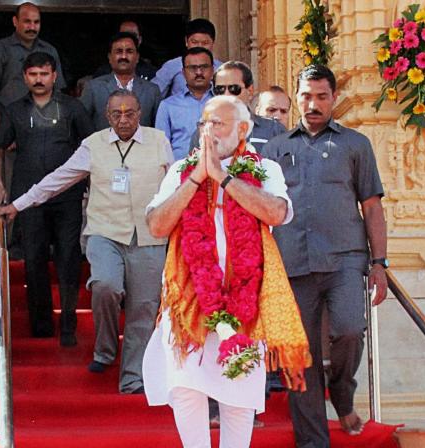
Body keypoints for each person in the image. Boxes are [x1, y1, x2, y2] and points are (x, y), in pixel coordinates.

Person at [143, 96, 311, 448]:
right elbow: (157, 225)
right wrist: (197, 180)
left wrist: (224, 179)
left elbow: (277, 213)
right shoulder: (180, 171)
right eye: (205, 124)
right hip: (188, 297)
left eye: (218, 124)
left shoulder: (266, 170)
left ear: (243, 129)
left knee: (239, 393)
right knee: (186, 386)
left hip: (244, 298)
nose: (209, 131)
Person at [0, 90, 173, 393]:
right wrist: (17, 205)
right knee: (105, 285)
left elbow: (174, 185)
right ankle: (105, 348)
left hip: (150, 235)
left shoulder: (159, 141)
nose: (124, 119)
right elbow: (57, 179)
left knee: (144, 307)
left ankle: (132, 377)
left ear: (140, 113)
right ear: (107, 116)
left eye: (130, 113)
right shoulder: (93, 145)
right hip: (105, 233)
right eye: (116, 114)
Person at [261, 65, 389, 448]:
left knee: (349, 330)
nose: (313, 104)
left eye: (321, 96)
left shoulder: (355, 145)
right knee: (300, 356)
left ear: (334, 98)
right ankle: (312, 442)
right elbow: (261, 209)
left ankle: (343, 393)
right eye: (306, 96)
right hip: (291, 263)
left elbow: (372, 206)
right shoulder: (275, 149)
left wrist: (379, 263)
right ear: (296, 98)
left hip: (346, 260)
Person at [0, 52, 93, 344]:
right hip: (26, 195)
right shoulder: (13, 110)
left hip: (67, 195)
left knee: (68, 256)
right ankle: (42, 323)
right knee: (33, 257)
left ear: (54, 76)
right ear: (24, 77)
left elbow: (94, 147)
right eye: (33, 74)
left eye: (44, 74)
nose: (38, 79)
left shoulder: (72, 107)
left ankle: (69, 321)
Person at [0, 2, 67, 133]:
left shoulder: (50, 51)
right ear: (15, 21)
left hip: (43, 129)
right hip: (8, 125)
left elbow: (58, 93)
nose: (32, 27)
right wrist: (2, 131)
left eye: (36, 22)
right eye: (27, 21)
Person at [189, 61, 285, 154]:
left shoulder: (273, 129)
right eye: (220, 89)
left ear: (250, 91)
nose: (226, 94)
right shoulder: (203, 132)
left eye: (234, 89)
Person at [80, 32, 161, 131]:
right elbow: (82, 128)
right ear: (110, 57)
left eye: (129, 51)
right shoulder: (93, 88)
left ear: (137, 57)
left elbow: (157, 130)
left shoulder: (152, 90)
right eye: (119, 51)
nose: (123, 56)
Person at [155, 47, 215, 160]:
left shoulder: (223, 103)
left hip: (220, 171)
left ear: (212, 70)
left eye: (204, 67)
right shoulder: (167, 106)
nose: (198, 72)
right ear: (183, 72)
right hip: (180, 173)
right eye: (193, 68)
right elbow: (161, 149)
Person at [152, 18, 222, 98]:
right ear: (186, 41)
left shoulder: (222, 69)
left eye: (205, 43)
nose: (199, 47)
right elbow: (153, 95)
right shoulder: (172, 66)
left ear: (213, 43)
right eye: (194, 42)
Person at [92, 20, 158, 80]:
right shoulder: (103, 72)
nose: (129, 39)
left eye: (133, 35)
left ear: (140, 40)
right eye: (124, 35)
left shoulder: (151, 72)